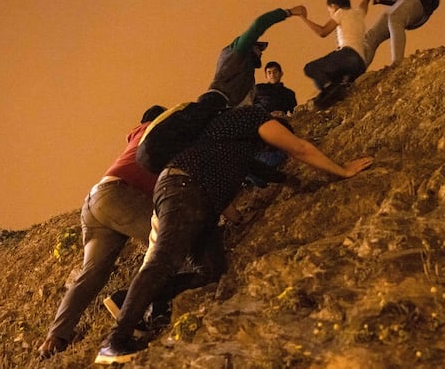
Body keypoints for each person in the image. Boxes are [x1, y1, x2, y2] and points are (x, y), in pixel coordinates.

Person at [94, 106, 374, 364]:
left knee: (211, 272)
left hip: (197, 199)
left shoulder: (233, 144)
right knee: (164, 260)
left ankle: (130, 299)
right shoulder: (253, 117)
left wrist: (290, 180)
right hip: (183, 188)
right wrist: (341, 171)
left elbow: (263, 172)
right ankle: (115, 341)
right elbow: (300, 149)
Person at [38, 105, 167, 359]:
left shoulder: (133, 140)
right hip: (119, 195)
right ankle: (142, 307)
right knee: (166, 245)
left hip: (95, 200)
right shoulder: (157, 131)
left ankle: (56, 336)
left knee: (92, 273)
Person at [203, 6, 306, 110]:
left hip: (229, 109)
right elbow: (259, 24)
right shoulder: (238, 52)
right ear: (250, 46)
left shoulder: (246, 69)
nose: (260, 53)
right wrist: (289, 12)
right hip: (216, 102)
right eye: (258, 48)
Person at [301, 0, 371, 109]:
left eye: (330, 11)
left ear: (334, 6)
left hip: (348, 55)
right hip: (360, 64)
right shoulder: (358, 13)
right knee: (324, 98)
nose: (331, 14)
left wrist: (303, 18)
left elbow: (323, 32)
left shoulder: (341, 13)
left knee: (311, 68)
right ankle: (332, 94)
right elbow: (366, 0)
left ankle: (329, 88)